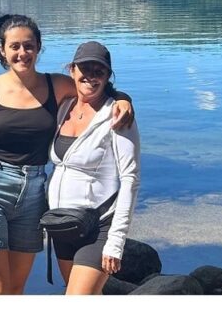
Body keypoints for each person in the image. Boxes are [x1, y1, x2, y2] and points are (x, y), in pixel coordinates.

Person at [0, 15, 134, 295]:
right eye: (15, 46)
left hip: (33, 193)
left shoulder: (57, 85)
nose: (22, 53)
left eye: (29, 46)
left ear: (39, 47)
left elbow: (94, 87)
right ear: (2, 50)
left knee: (17, 289)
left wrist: (124, 100)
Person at [46, 41, 140, 295]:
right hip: (63, 223)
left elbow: (130, 179)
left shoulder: (118, 115)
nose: (91, 76)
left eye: (99, 71)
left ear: (108, 76)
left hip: (98, 226)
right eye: (85, 69)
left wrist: (116, 242)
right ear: (72, 70)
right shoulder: (63, 106)